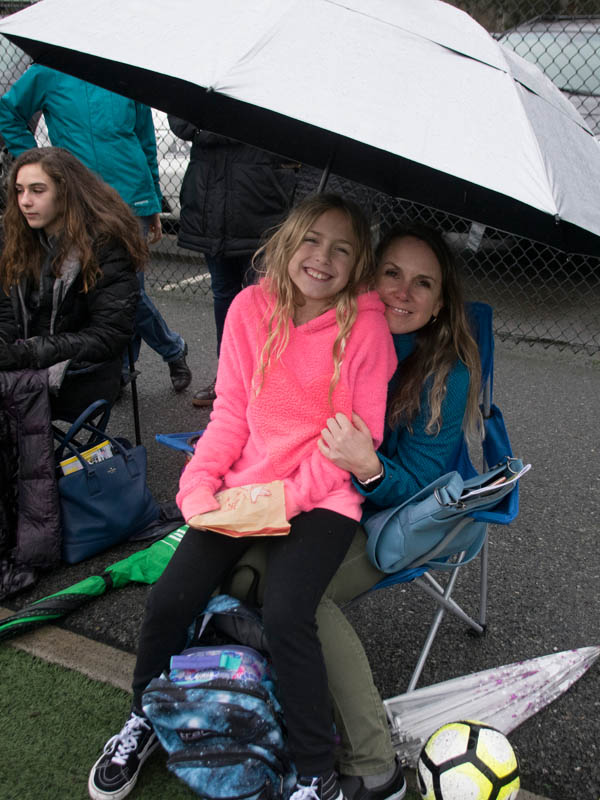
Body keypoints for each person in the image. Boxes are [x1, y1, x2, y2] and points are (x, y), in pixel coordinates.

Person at [87, 193, 397, 800]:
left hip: (322, 498)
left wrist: (284, 499)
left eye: (342, 249)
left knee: (288, 615)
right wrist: (199, 483)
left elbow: (356, 444)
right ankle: (147, 715)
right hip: (244, 489)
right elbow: (230, 411)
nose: (322, 258)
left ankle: (315, 775)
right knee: (171, 598)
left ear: (359, 263)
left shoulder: (366, 329)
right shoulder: (250, 308)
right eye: (311, 240)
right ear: (286, 242)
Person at [230, 223, 483, 800]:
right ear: (368, 276)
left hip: (386, 521)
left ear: (441, 303)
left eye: (423, 284)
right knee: (234, 561)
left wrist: (368, 466)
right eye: (391, 273)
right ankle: (261, 679)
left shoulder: (447, 370)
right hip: (312, 498)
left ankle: (375, 768)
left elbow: (419, 486)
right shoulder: (332, 330)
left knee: (299, 599)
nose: (402, 292)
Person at [0, 64, 192, 392]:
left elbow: (145, 138)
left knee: (127, 291)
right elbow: (8, 112)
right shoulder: (48, 71)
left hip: (132, 196)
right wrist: (35, 162)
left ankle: (121, 372)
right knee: (98, 289)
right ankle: (168, 349)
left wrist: (154, 197)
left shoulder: (125, 70)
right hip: (77, 202)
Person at [0, 146, 144, 418]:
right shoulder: (16, 238)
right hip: (24, 364)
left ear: (65, 192)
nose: (25, 201)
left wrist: (28, 353)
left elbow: (108, 335)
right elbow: (6, 307)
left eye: (37, 190)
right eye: (19, 190)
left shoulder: (104, 245)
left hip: (80, 376)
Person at [168, 116, 298, 406]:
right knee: (224, 295)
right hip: (211, 202)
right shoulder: (205, 73)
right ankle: (227, 379)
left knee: (267, 298)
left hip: (260, 200)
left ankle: (265, 381)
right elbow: (179, 120)